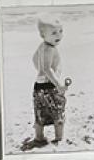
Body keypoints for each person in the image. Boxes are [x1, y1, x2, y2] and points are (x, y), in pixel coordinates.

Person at [22, 16, 67, 150]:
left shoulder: (42, 47)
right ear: (43, 35)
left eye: (60, 31)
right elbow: (47, 69)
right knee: (58, 112)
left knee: (40, 112)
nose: (59, 35)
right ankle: (58, 138)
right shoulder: (50, 49)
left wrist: (40, 71)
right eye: (54, 33)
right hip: (50, 86)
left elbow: (34, 59)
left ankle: (39, 137)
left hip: (38, 86)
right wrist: (58, 84)